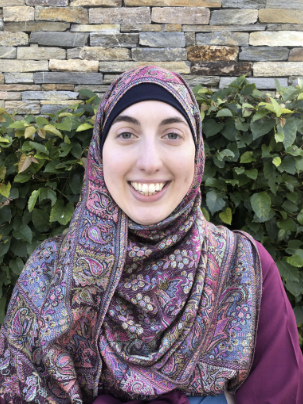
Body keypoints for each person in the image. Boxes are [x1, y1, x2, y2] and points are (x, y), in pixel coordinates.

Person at [0, 66, 302, 404]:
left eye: (172, 135)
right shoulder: (48, 273)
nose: (149, 161)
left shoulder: (244, 269)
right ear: (100, 151)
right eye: (126, 134)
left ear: (196, 152)